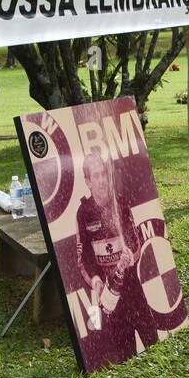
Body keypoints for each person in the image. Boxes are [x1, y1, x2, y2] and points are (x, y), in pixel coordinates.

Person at [75, 151, 158, 364]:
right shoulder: (83, 213)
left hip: (132, 286)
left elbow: (135, 240)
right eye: (96, 176)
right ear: (88, 182)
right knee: (125, 353)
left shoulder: (120, 202)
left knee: (154, 342)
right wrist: (94, 279)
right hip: (110, 296)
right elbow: (83, 256)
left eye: (104, 174)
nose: (102, 180)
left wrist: (131, 256)